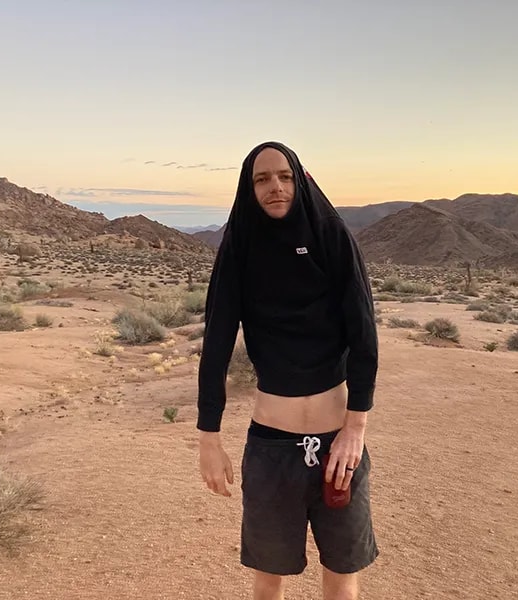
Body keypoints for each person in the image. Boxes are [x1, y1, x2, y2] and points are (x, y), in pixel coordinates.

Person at [196, 141, 379, 600]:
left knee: (342, 575)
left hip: (340, 446)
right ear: (248, 187)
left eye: (284, 176)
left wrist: (355, 429)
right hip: (271, 450)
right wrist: (208, 439)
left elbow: (364, 336)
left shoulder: (330, 235)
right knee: (268, 579)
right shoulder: (240, 246)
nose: (274, 187)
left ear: (298, 180)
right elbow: (216, 344)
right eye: (261, 179)